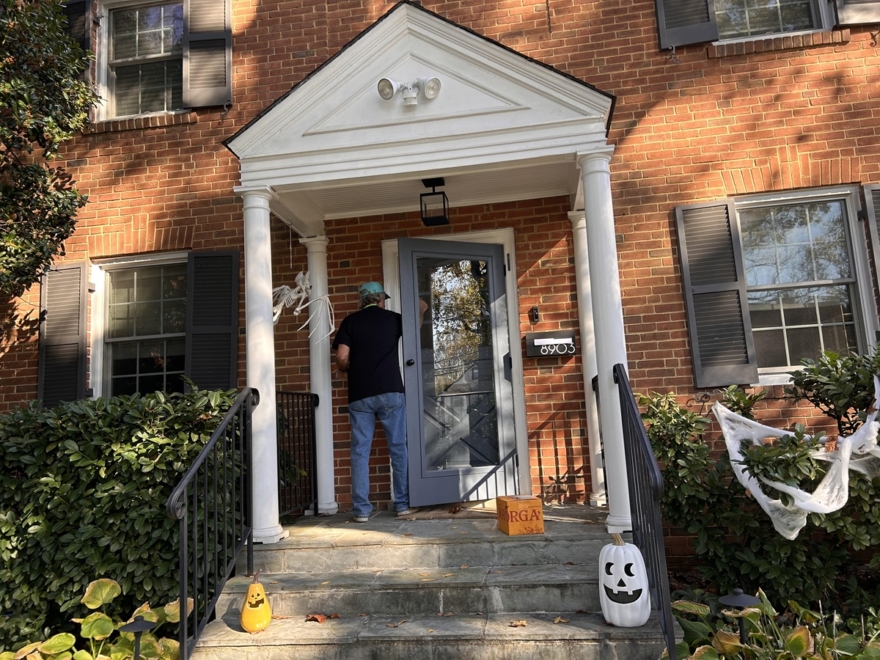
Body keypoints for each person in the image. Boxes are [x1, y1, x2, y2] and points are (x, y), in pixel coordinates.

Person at [332, 281, 419, 522]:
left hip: (360, 394)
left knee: (360, 452)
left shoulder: (350, 321)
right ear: (381, 299)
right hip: (390, 390)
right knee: (398, 448)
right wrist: (421, 309)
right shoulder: (393, 319)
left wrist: (345, 369)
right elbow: (414, 332)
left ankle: (361, 511)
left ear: (361, 300)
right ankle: (402, 504)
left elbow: (341, 356)